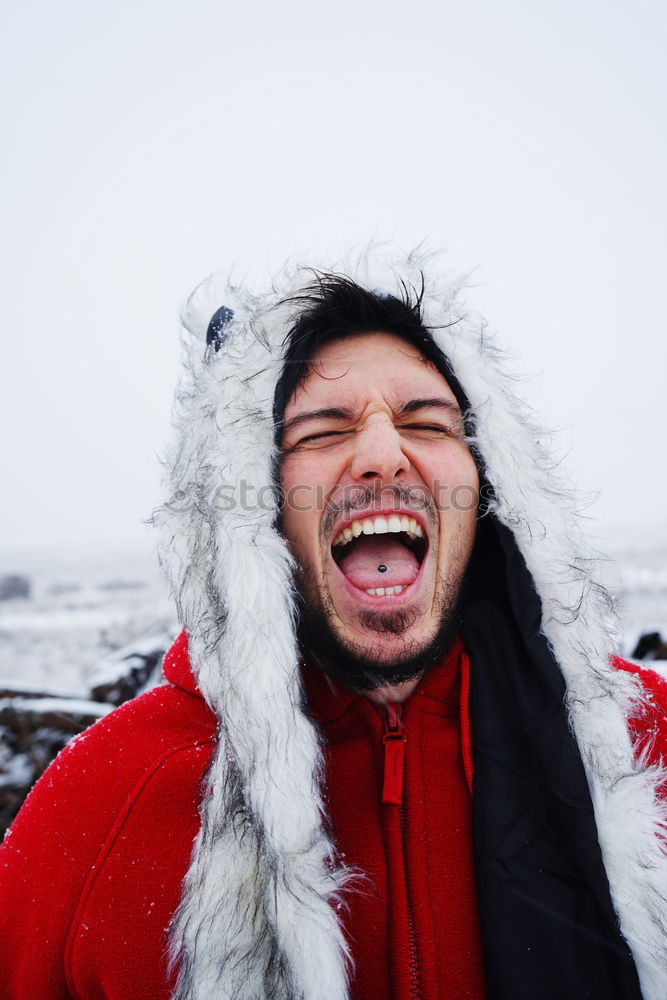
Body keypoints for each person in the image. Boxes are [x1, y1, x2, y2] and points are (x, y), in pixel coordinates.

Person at [1, 247, 666, 1000]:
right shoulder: (97, 806)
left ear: (489, 486)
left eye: (427, 421)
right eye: (320, 432)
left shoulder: (646, 745)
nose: (383, 455)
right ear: (248, 505)